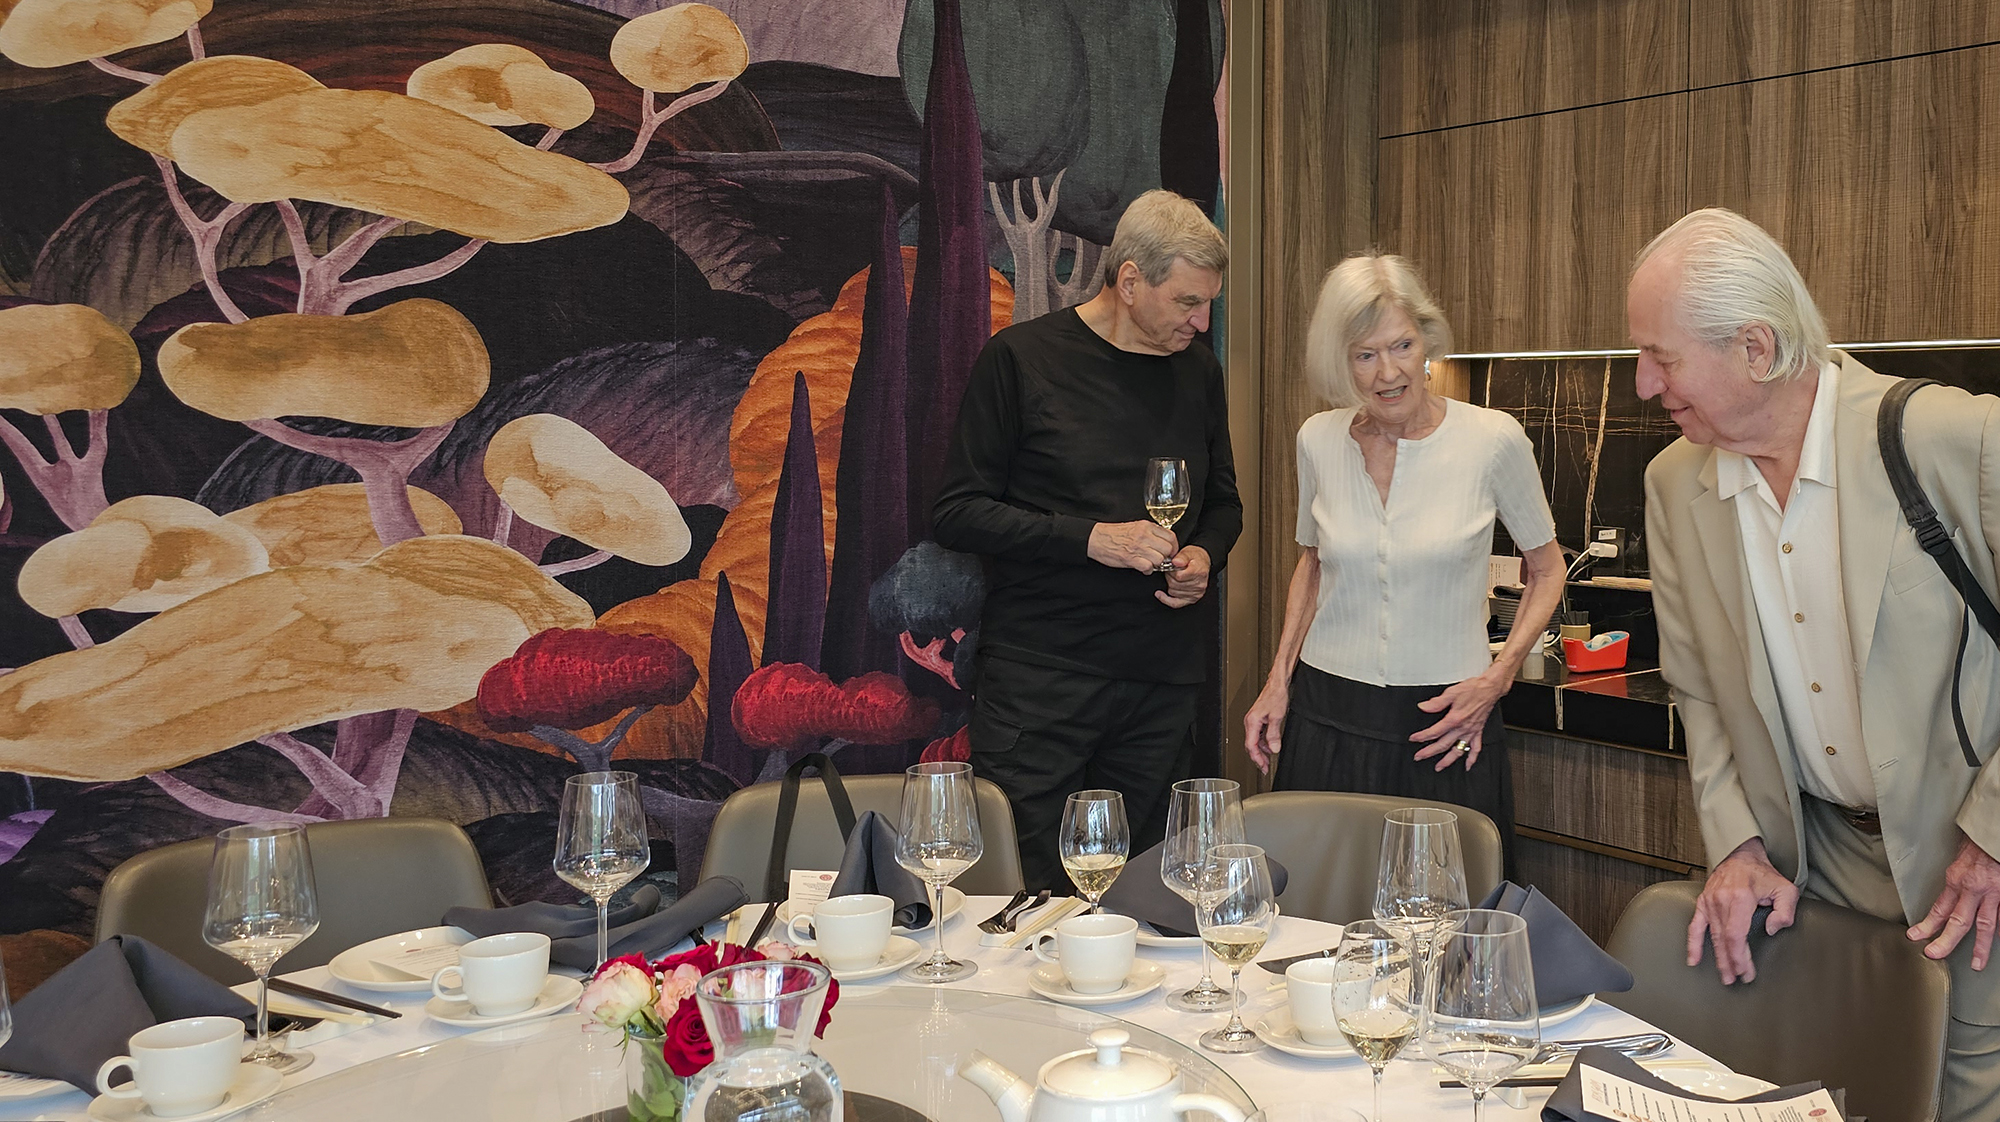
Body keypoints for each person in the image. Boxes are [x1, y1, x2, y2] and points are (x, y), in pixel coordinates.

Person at [1633, 207, 2000, 1120]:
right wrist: (1737, 843)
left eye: (1662, 357)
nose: (1642, 384)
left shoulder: (1954, 440)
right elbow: (1697, 689)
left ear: (1755, 348)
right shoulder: (1674, 484)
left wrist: (1995, 832)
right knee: (1829, 1095)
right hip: (1816, 868)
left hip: (1970, 864)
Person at [932, 189, 1241, 891]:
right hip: (1042, 684)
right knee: (1024, 896)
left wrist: (1205, 555)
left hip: (1162, 686)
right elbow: (957, 512)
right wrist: (1091, 539)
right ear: (1129, 281)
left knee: (1148, 895)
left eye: (1208, 304)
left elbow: (1224, 504)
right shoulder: (1020, 361)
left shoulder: (1197, 371)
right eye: (1188, 302)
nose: (1201, 321)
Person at [1242, 252, 1562, 873]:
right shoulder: (1317, 439)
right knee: (1315, 907)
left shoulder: (1493, 440)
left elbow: (1547, 571)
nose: (1388, 372)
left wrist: (1497, 679)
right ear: (1341, 362)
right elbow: (1312, 564)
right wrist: (1278, 681)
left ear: (1426, 340)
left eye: (1402, 346)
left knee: (1444, 913)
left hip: (1447, 720)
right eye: (1365, 354)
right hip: (1325, 715)